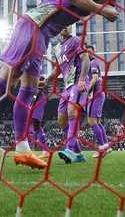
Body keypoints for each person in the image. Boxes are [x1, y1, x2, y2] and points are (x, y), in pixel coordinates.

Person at [0, 0, 124, 171]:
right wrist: (103, 11)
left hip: (40, 33)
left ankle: (22, 150)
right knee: (8, 81)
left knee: (29, 89)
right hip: (34, 28)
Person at [51, 26, 91, 164]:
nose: (66, 26)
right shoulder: (56, 49)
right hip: (66, 86)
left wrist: (81, 79)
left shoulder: (75, 40)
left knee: (72, 112)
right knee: (61, 121)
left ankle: (69, 150)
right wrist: (47, 81)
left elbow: (86, 59)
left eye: (68, 24)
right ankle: (79, 155)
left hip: (78, 82)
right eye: (63, 24)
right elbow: (59, 68)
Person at [84, 45, 111, 158]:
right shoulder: (91, 64)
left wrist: (86, 92)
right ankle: (106, 146)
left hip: (96, 95)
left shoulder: (93, 63)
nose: (88, 54)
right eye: (86, 52)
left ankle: (101, 148)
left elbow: (94, 79)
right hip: (98, 95)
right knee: (98, 122)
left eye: (90, 52)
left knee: (92, 122)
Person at [29, 76, 50, 159]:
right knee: (36, 126)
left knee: (30, 122)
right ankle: (45, 151)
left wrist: (34, 96)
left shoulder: (36, 72)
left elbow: (41, 85)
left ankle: (29, 149)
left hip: (38, 99)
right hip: (35, 99)